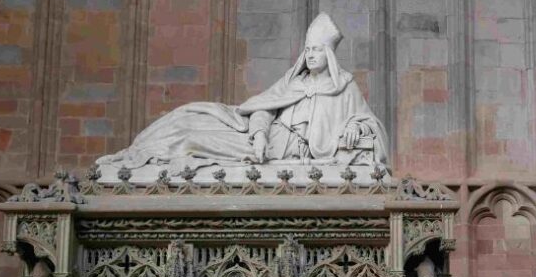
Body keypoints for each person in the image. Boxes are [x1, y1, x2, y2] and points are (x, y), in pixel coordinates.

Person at [95, 13, 388, 175]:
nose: (310, 56)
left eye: (316, 50)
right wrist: (259, 133)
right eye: (307, 50)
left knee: (191, 138)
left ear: (328, 54)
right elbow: (263, 107)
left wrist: (354, 125)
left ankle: (140, 155)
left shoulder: (345, 88)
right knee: (189, 116)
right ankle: (134, 153)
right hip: (260, 139)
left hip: (275, 152)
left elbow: (371, 126)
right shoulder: (292, 82)